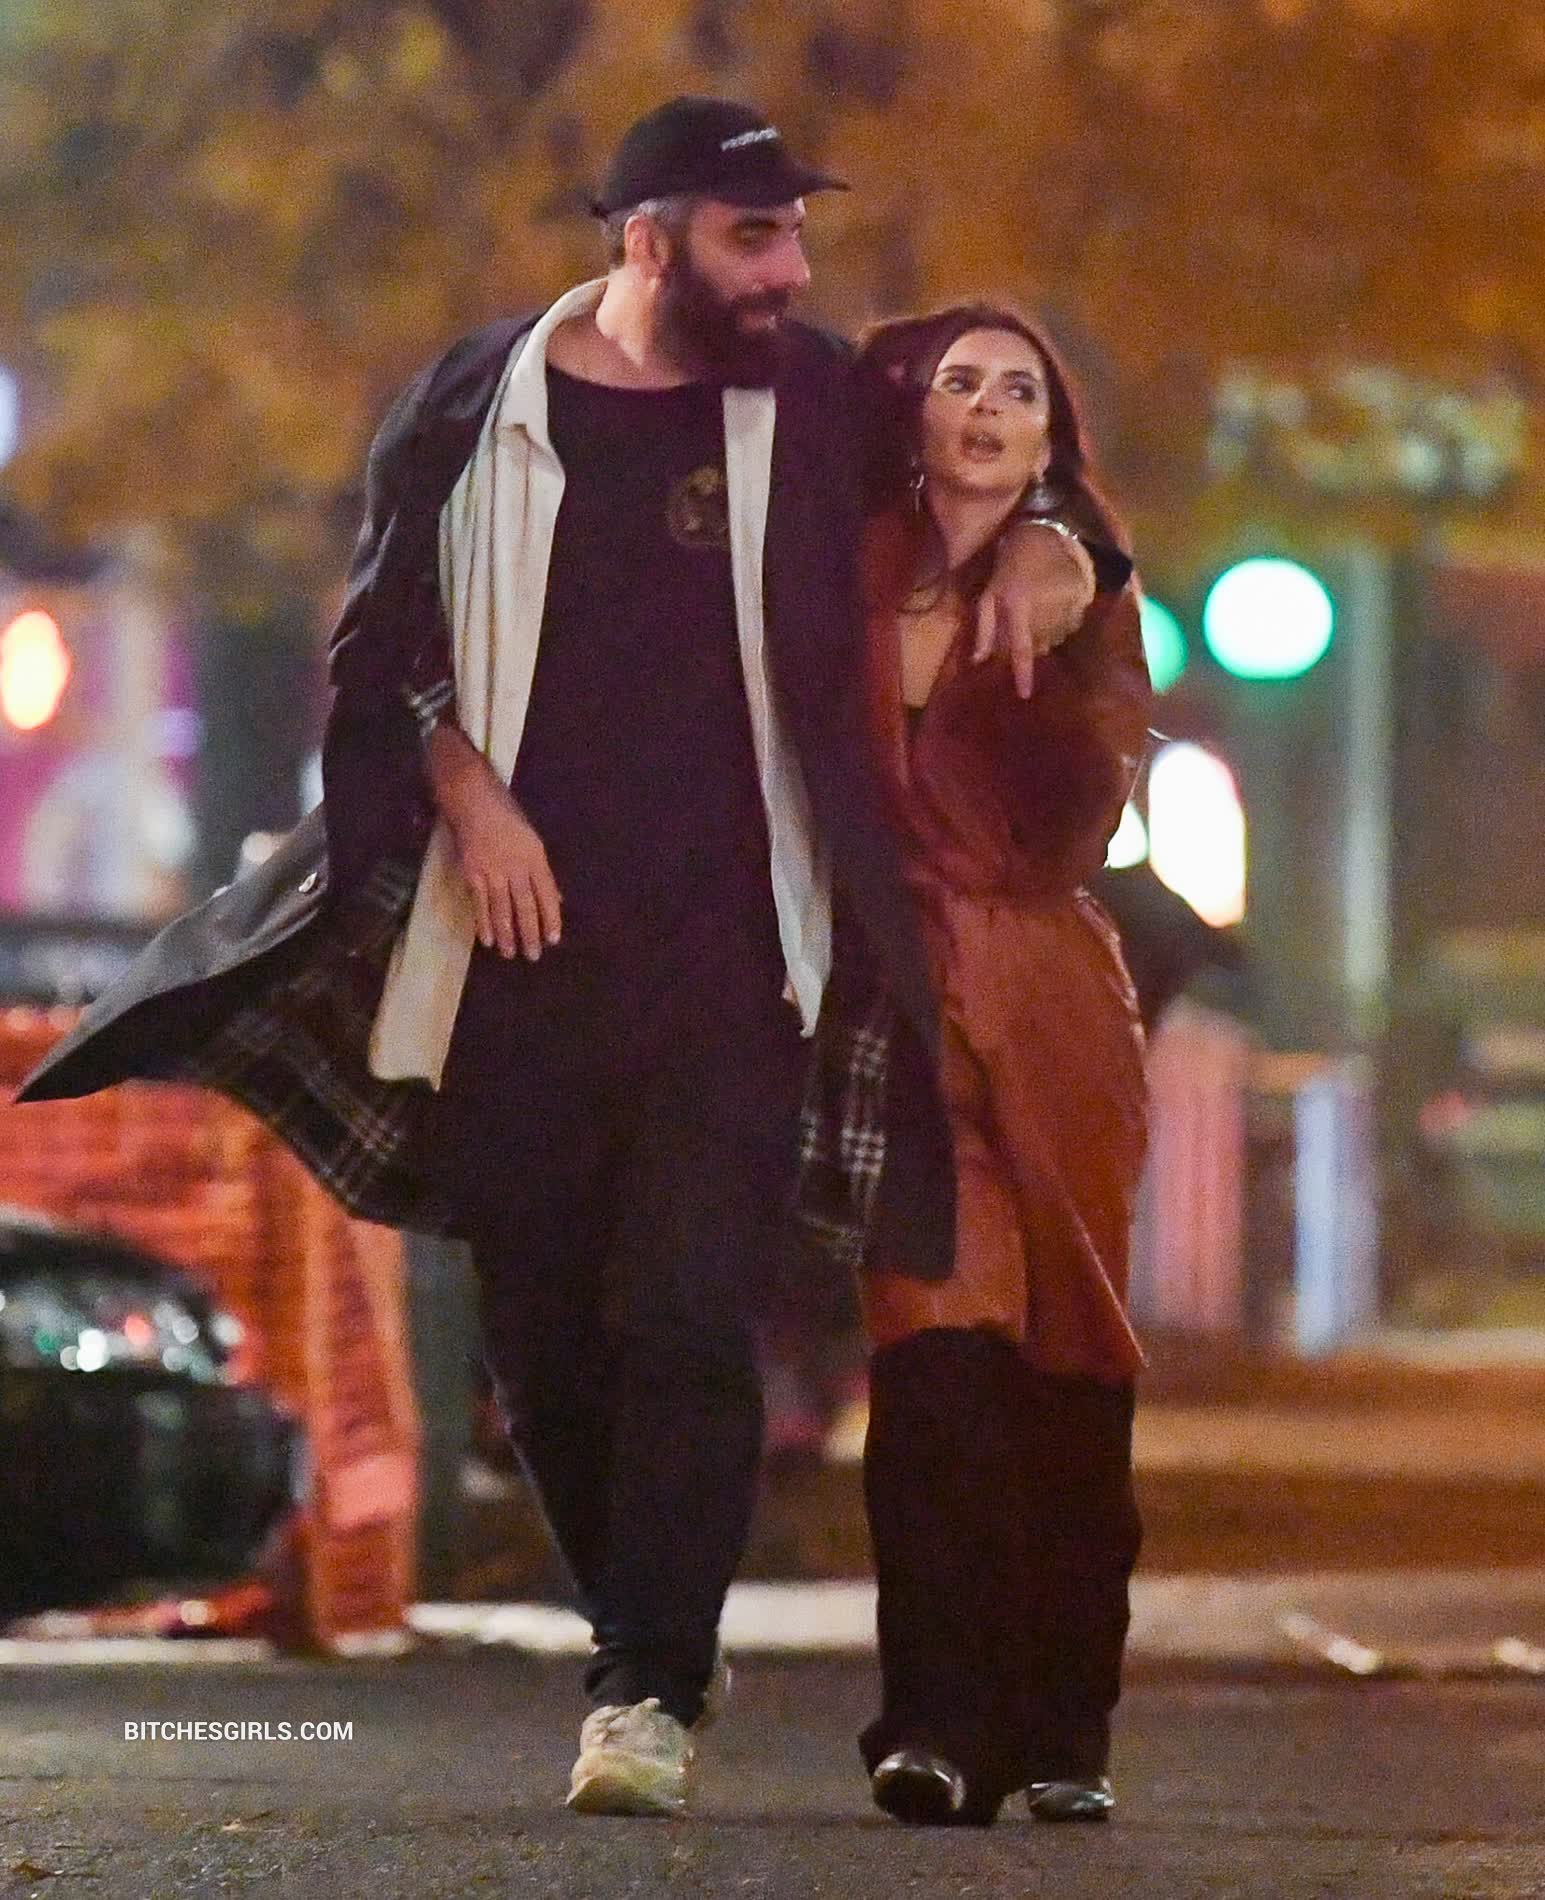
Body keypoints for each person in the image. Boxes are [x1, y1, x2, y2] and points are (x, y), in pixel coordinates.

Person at [16, 101, 1105, 1816]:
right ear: (648, 241)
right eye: (754, 236)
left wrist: (1059, 545)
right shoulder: (471, 405)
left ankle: (646, 1688)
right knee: (539, 1345)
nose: (790, 269)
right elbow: (379, 656)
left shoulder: (810, 395)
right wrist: (466, 793)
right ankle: (645, 1622)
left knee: (684, 1312)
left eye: (795, 234)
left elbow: (993, 476)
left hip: (744, 956)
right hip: (512, 955)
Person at [835, 304, 1153, 1827]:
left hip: (1047, 1006)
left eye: (1018, 390)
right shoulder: (845, 568)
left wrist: (1062, 579)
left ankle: (1064, 1725)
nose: (984, 405)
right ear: (914, 411)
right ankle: (936, 1724)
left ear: (1046, 438)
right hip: (893, 1004)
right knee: (931, 1356)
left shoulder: (1081, 589)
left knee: (1068, 1360)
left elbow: (1090, 806)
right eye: (959, 380)